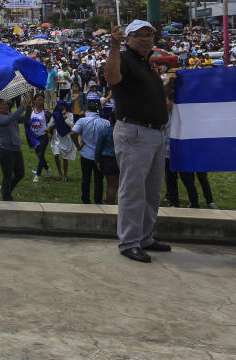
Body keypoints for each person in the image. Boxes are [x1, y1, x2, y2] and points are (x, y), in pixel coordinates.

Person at [105, 20, 171, 263]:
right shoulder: (124, 58)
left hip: (154, 133)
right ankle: (130, 242)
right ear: (128, 39)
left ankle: (145, 236)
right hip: (134, 132)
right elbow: (111, 77)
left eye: (149, 35)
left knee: (152, 191)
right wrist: (113, 46)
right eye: (139, 35)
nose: (146, 39)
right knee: (133, 190)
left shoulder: (147, 63)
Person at [0, 95, 29, 201]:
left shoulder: (9, 115)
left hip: (16, 149)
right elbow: (10, 120)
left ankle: (6, 190)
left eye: (6, 103)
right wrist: (22, 106)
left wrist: (29, 108)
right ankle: (6, 196)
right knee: (8, 174)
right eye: (3, 104)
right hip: (5, 150)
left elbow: (24, 119)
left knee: (20, 173)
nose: (7, 105)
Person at [71, 101, 108, 204]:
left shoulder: (82, 121)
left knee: (86, 179)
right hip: (100, 156)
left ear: (87, 110)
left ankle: (86, 199)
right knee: (99, 180)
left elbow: (73, 133)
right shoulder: (106, 122)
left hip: (86, 154)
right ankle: (98, 200)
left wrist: (78, 146)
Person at [47, 100, 76, 182]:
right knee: (56, 155)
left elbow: (72, 125)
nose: (61, 108)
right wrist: (48, 129)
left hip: (66, 136)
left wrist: (65, 117)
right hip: (56, 136)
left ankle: (65, 175)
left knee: (64, 157)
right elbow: (51, 123)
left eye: (62, 106)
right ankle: (59, 172)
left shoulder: (70, 114)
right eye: (59, 106)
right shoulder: (55, 114)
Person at [95, 113, 119, 204]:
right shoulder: (125, 132)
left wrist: (97, 160)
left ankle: (110, 203)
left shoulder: (105, 131)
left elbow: (99, 148)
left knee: (111, 186)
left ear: (110, 119)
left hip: (110, 160)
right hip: (123, 159)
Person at [26, 93, 50, 182]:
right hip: (34, 137)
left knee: (41, 155)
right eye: (38, 100)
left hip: (43, 136)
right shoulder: (31, 111)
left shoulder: (46, 112)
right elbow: (26, 122)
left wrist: (49, 130)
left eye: (42, 100)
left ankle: (37, 175)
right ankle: (47, 168)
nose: (40, 101)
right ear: (35, 100)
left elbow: (52, 122)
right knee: (39, 156)